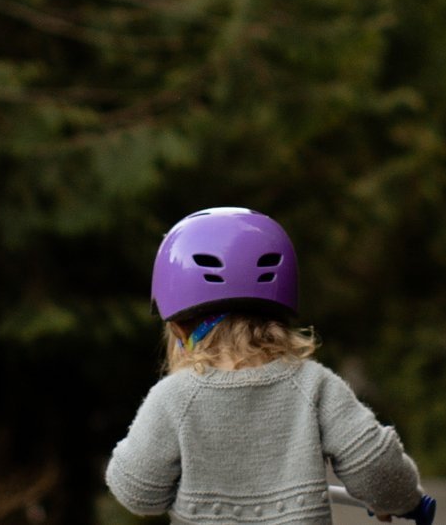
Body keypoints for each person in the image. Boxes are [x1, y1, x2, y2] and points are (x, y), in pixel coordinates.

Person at [105, 207, 427, 524]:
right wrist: (397, 499)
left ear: (177, 327)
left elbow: (136, 491)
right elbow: (379, 468)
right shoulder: (314, 385)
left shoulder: (174, 397)